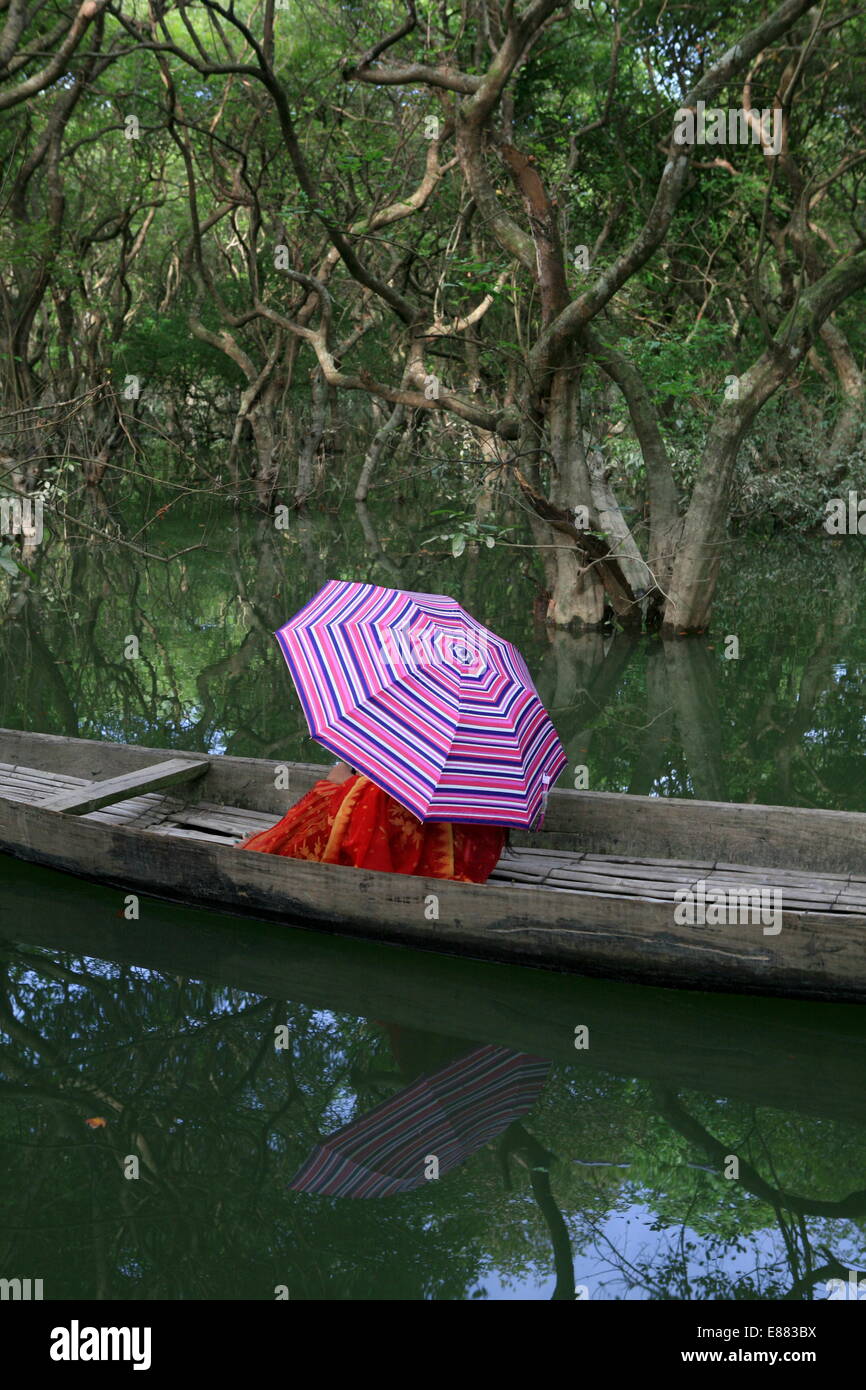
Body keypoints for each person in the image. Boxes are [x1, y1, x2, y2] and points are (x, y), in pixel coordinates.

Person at [236, 759, 506, 883]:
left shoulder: (412, 739)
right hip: (476, 855)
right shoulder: (490, 750)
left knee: (341, 790)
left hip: (434, 848)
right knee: (348, 784)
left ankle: (274, 846)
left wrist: (351, 779)